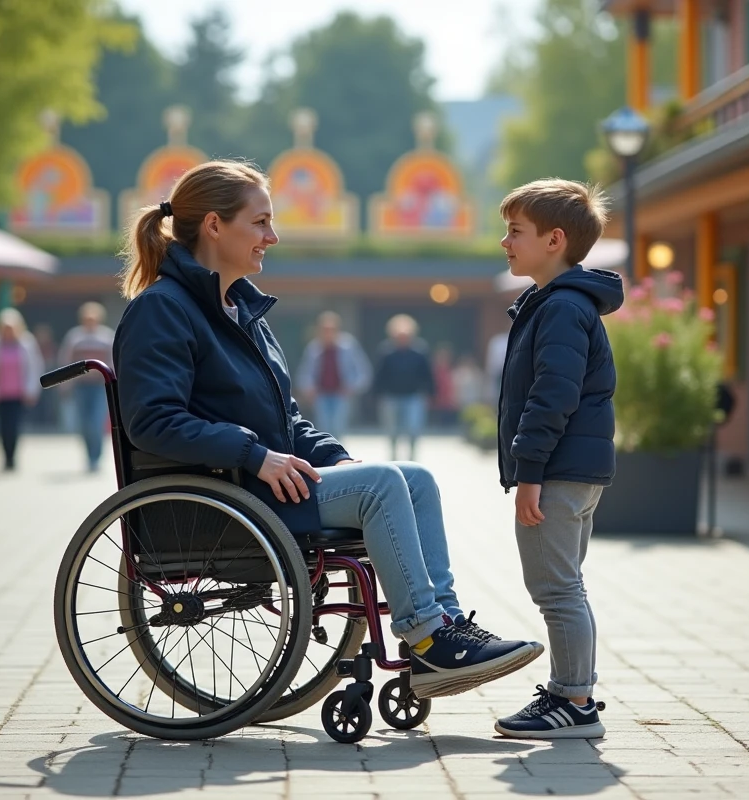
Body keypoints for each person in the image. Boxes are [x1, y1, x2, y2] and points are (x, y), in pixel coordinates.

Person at [113, 160, 542, 700]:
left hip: (262, 484)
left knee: (412, 477)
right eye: (261, 222)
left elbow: (285, 417)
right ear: (215, 226)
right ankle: (429, 638)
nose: (273, 236)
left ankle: (443, 630)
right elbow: (152, 421)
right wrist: (254, 455)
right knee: (384, 486)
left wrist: (336, 458)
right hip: (221, 496)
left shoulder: (242, 312)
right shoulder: (162, 310)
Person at [491, 178, 623, 739]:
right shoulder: (557, 304)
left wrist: (529, 473)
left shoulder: (563, 308)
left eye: (515, 231)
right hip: (573, 467)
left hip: (559, 469)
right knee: (565, 583)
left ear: (555, 240)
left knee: (556, 587)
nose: (505, 242)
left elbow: (553, 396)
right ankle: (574, 693)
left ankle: (573, 701)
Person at [0, 308, 44, 471]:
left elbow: (34, 367)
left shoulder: (27, 343)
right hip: (0, 394)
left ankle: (12, 456)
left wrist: (32, 390)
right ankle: (5, 455)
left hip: (19, 393)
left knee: (14, 426)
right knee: (2, 426)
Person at [295, 311, 371, 441]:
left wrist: (352, 387)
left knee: (338, 426)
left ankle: (338, 454)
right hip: (321, 394)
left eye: (331, 329)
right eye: (324, 329)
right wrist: (308, 388)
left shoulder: (349, 346)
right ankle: (326, 454)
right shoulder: (314, 347)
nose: (327, 332)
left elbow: (363, 371)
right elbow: (305, 371)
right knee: (324, 427)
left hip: (341, 394)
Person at [58, 302, 116, 471]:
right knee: (84, 423)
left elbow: (113, 361)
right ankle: (89, 454)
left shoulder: (106, 337)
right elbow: (66, 360)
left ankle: (96, 456)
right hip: (80, 386)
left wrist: (113, 384)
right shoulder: (75, 337)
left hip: (99, 386)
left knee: (96, 422)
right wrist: (64, 385)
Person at [372, 314, 435, 461]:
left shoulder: (420, 352)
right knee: (391, 429)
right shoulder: (386, 351)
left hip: (413, 396)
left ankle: (412, 457)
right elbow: (379, 375)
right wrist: (376, 394)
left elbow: (428, 374)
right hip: (390, 397)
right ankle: (394, 456)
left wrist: (431, 393)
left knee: (414, 428)